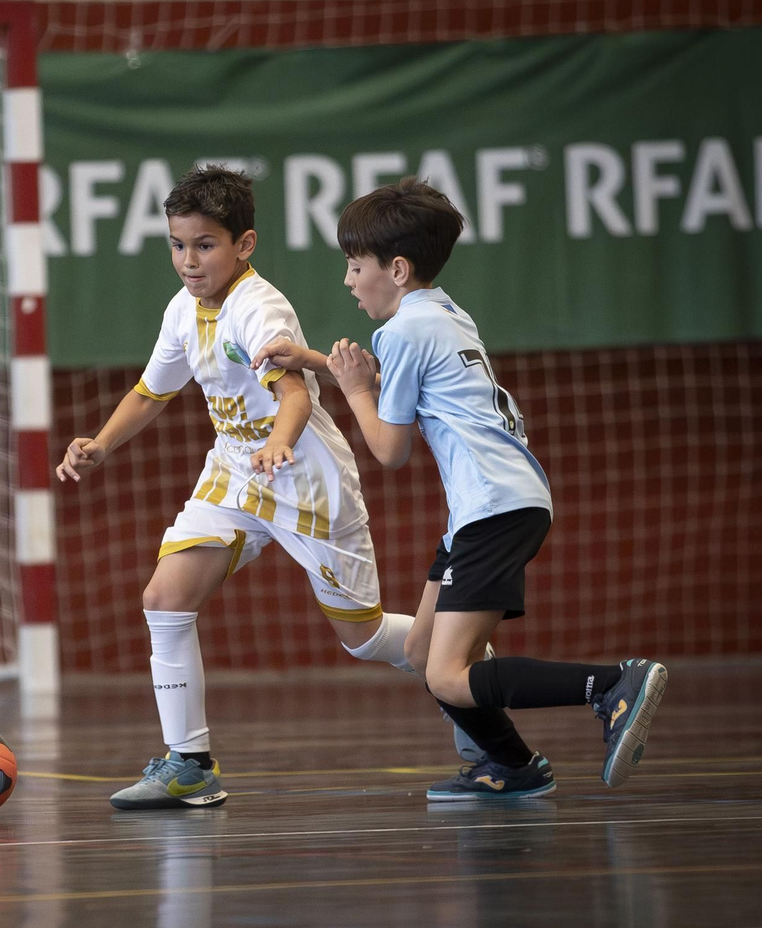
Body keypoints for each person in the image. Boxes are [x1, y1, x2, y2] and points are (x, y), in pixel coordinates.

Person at [56, 165, 463, 812]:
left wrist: (278, 441)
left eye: (205, 245)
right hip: (235, 470)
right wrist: (100, 443)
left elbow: (295, 393)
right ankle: (189, 763)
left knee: (362, 637)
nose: (189, 261)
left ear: (243, 244)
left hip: (303, 476)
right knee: (165, 595)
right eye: (177, 245)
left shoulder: (257, 306)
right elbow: (150, 392)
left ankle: (464, 657)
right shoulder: (183, 309)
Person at [257, 176, 667, 800]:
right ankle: (510, 765)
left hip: (493, 506)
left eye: (354, 264)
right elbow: (378, 375)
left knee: (450, 676)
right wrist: (316, 362)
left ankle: (612, 684)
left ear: (395, 268)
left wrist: (354, 390)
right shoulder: (442, 311)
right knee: (423, 651)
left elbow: (389, 449)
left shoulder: (403, 331)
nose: (347, 279)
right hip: (498, 503)